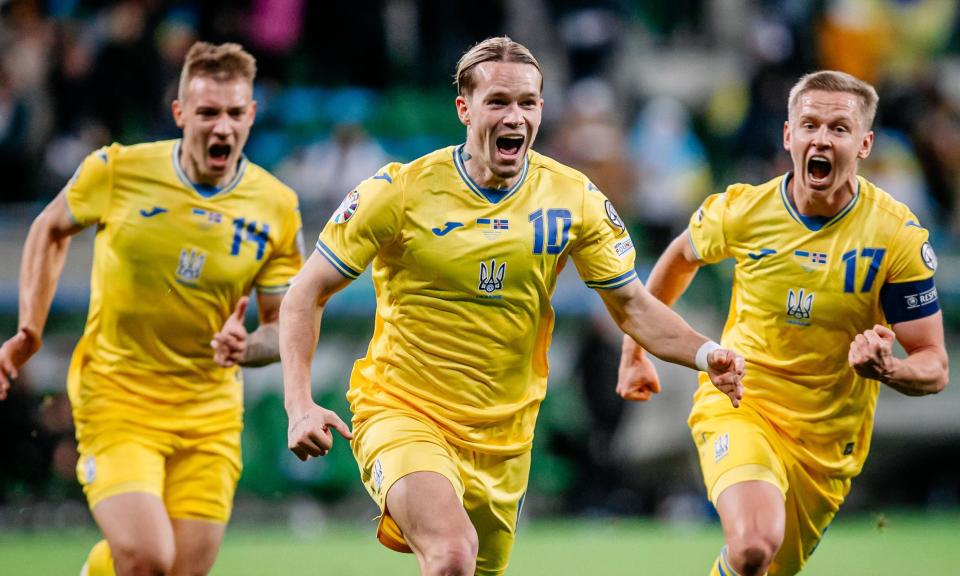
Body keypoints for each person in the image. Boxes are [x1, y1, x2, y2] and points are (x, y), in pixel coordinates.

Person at [280, 36, 745, 576]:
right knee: (451, 554)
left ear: (542, 110)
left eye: (527, 103)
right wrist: (299, 404)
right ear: (464, 108)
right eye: (498, 102)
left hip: (505, 440)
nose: (515, 116)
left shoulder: (573, 198)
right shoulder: (398, 192)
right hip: (403, 413)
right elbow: (304, 293)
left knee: (471, 565)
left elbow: (633, 307)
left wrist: (705, 352)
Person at [618, 70, 948, 576]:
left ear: (865, 144)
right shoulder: (743, 211)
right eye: (809, 124)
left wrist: (889, 370)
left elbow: (934, 365)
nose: (821, 138)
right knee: (753, 544)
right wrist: (634, 352)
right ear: (789, 136)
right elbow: (679, 258)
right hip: (742, 401)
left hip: (827, 443)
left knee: (763, 566)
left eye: (839, 128)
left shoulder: (895, 236)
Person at [0, 42, 303, 576]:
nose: (223, 128)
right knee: (147, 558)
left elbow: (282, 327)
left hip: (208, 413)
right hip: (118, 396)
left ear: (252, 115)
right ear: (180, 113)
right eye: (208, 112)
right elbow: (48, 229)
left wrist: (248, 346)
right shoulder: (118, 170)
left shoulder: (275, 205)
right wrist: (29, 332)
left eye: (235, 113)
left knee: (179, 571)